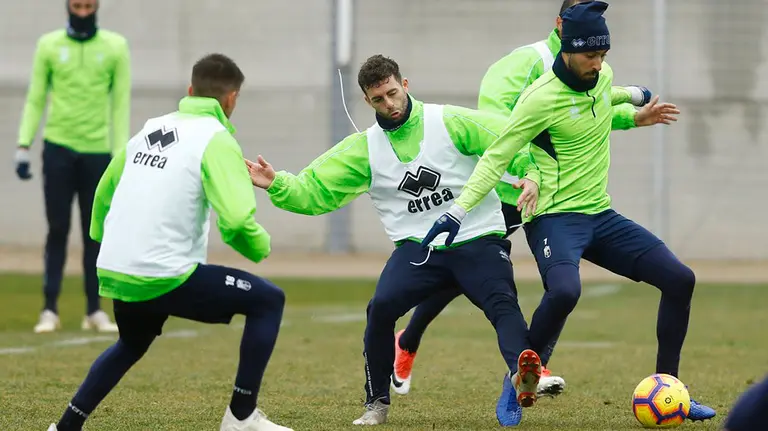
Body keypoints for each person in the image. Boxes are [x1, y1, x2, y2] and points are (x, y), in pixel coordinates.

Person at [421, 0, 716, 423]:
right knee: (565, 291)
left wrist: (636, 110)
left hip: (600, 215)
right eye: (591, 56)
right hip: (554, 218)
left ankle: (670, 390)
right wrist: (458, 211)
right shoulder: (538, 99)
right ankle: (520, 379)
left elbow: (600, 103)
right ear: (567, 48)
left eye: (603, 55)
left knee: (680, 279)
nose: (598, 64)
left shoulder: (601, 75)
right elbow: (496, 155)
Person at [246, 54, 549, 427]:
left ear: (405, 85)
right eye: (378, 99)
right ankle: (376, 403)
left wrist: (530, 172)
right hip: (418, 250)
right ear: (367, 100)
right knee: (381, 308)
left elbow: (510, 139)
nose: (388, 105)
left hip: (477, 238)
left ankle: (523, 375)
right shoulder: (363, 149)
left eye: (392, 93)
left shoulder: (450, 121)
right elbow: (314, 190)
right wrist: (276, 183)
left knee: (503, 304)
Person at [391, 0, 650, 402]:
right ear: (561, 21)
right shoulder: (525, 63)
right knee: (463, 270)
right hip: (510, 188)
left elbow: (588, 112)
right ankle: (408, 340)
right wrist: (526, 174)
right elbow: (499, 130)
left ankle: (532, 363)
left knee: (558, 282)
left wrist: (632, 115)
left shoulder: (589, 60)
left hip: (557, 192)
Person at [47, 53, 292, 431]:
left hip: (116, 270)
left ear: (190, 90)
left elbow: (102, 194)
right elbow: (237, 219)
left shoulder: (150, 128)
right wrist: (260, 247)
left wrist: (102, 240)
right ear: (231, 99)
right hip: (163, 274)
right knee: (268, 300)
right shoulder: (217, 138)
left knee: (131, 343)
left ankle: (64, 427)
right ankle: (241, 417)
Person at [16, 0, 131, 334]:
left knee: (94, 232)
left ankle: (94, 310)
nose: (83, 13)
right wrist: (24, 144)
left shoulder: (116, 46)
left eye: (88, 6)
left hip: (98, 153)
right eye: (77, 6)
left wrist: (120, 156)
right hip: (58, 149)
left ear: (97, 7)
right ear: (68, 6)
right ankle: (49, 309)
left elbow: (120, 103)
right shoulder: (49, 45)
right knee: (57, 229)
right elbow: (36, 96)